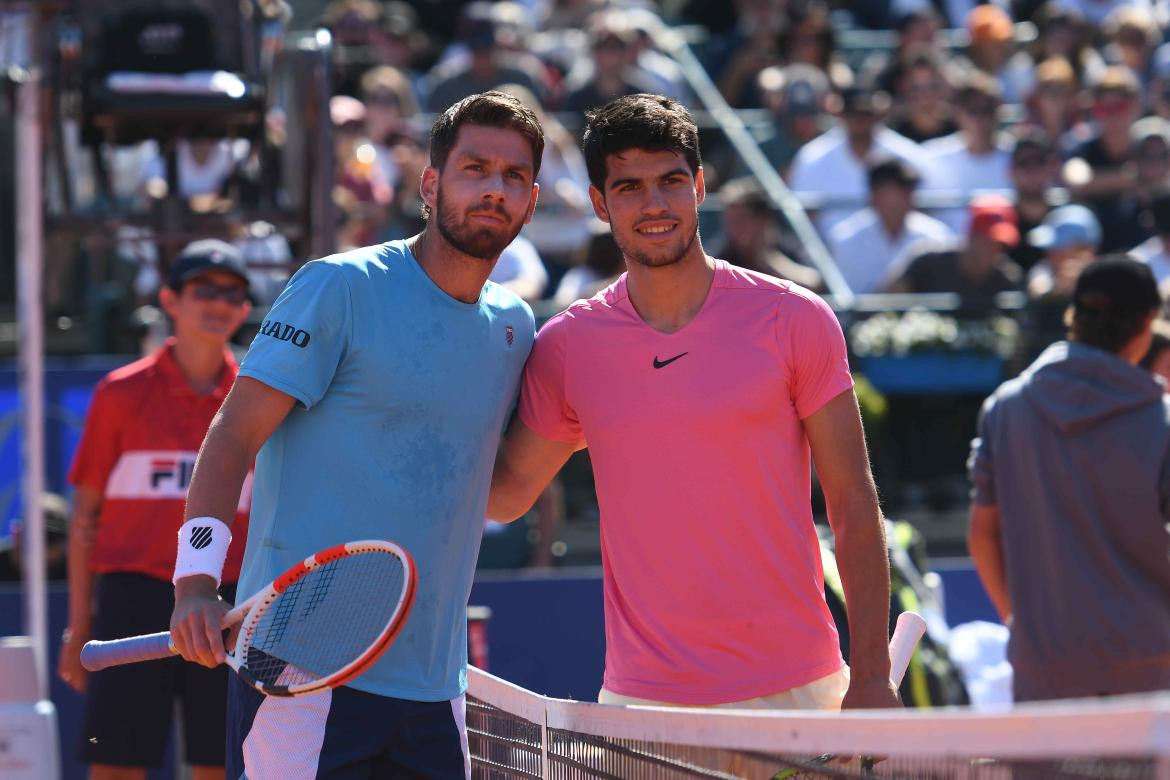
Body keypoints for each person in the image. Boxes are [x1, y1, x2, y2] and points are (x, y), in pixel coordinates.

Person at [167, 91, 543, 778]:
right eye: (476, 169)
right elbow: (232, 436)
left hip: (435, 687)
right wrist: (195, 580)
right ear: (430, 185)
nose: (494, 189)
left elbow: (497, 498)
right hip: (299, 669)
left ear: (532, 201)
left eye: (513, 177)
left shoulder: (517, 327)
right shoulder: (338, 285)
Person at [488, 94, 900, 712]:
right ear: (599, 203)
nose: (654, 204)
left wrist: (872, 673)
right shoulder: (569, 346)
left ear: (700, 186)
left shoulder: (796, 319)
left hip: (800, 688)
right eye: (629, 187)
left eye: (671, 181)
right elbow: (507, 492)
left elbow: (852, 497)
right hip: (646, 702)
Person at [58, 239, 254, 780]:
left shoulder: (257, 398)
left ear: (245, 309)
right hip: (131, 597)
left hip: (228, 603)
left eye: (233, 293)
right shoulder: (119, 393)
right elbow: (83, 522)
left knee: (221, 767)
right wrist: (79, 629)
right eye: (204, 288)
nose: (219, 303)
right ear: (169, 299)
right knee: (116, 764)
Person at [968, 255, 1170, 701]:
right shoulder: (1164, 423)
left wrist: (1022, 626)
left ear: (1073, 317)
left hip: (1044, 666)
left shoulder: (1005, 408)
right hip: (1149, 671)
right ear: (1147, 323)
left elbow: (982, 537)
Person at [827, 157, 952, 295]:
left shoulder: (937, 236)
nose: (906, 197)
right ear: (874, 195)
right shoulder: (845, 238)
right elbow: (849, 301)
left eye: (908, 189)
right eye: (899, 189)